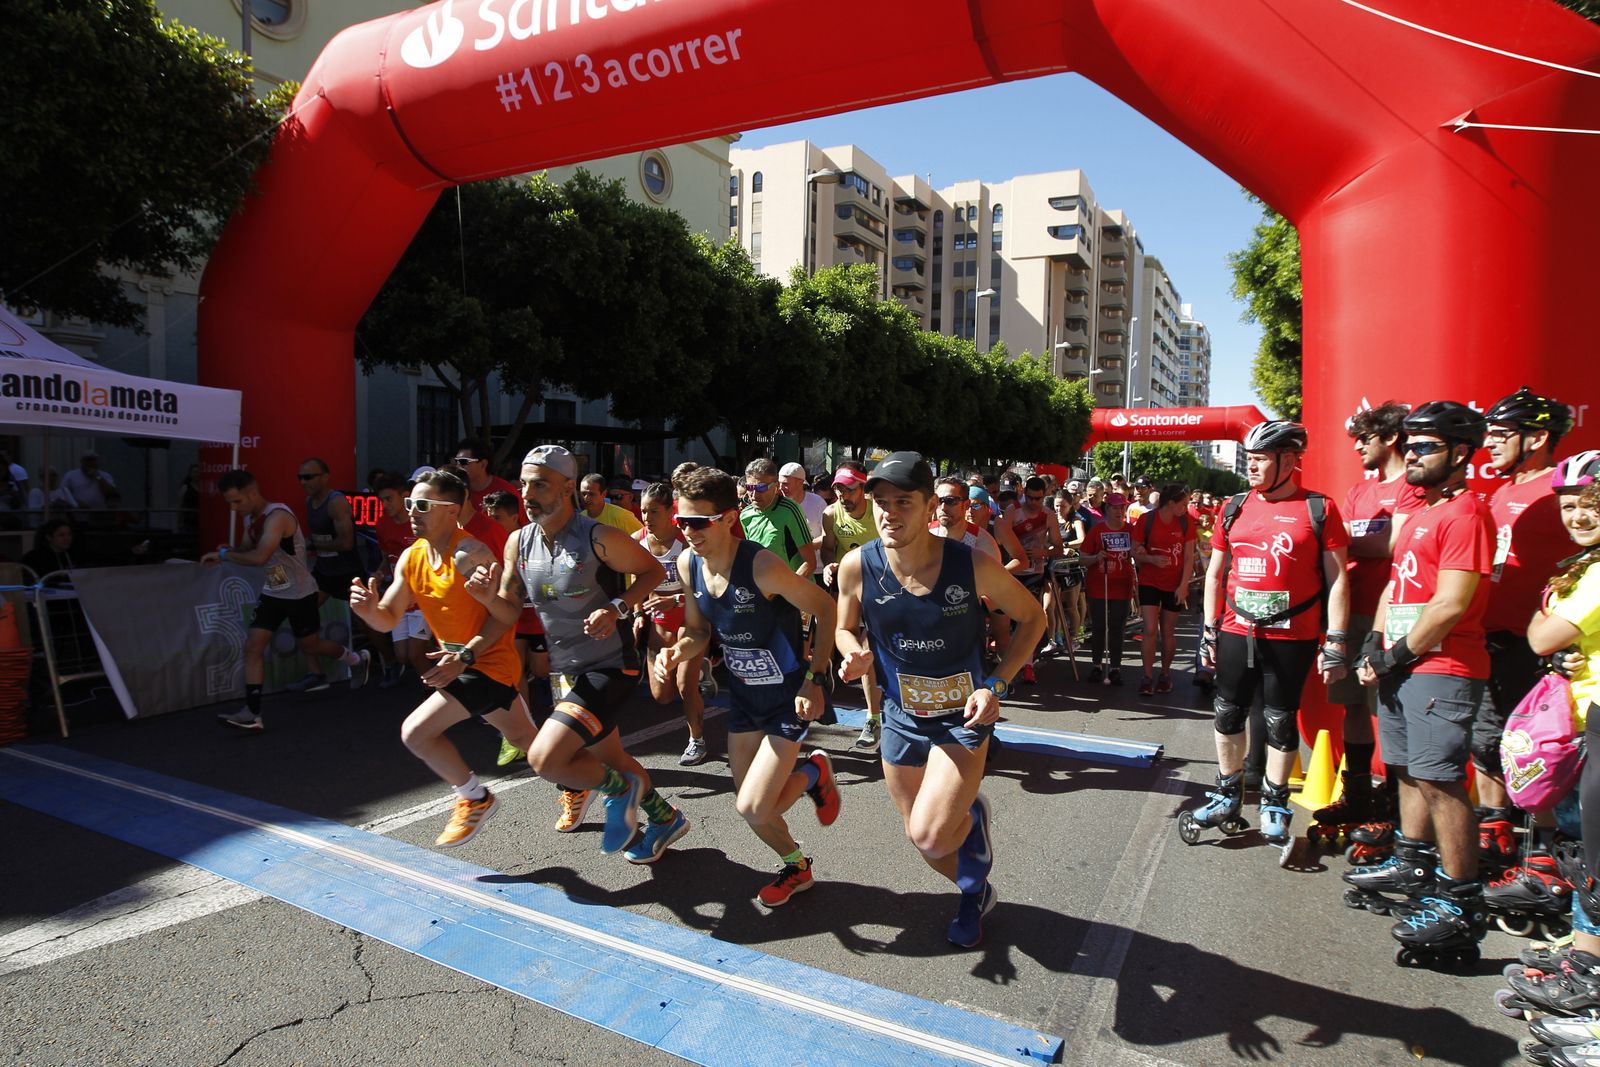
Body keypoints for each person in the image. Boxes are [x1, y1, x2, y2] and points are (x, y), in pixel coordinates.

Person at [836, 452, 1044, 948]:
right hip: (900, 716)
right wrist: (853, 656)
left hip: (962, 717)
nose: (889, 512)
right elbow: (844, 629)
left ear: (930, 505)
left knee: (930, 834)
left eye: (903, 502)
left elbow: (1033, 618)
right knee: (923, 840)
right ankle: (976, 885)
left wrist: (996, 684)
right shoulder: (856, 566)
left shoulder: (969, 564)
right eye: (880, 502)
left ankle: (971, 864)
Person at [487, 445, 689, 862]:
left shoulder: (598, 537)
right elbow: (507, 609)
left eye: (539, 484)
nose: (528, 493)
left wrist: (617, 608)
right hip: (566, 671)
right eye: (524, 484)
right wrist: (484, 599)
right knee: (609, 756)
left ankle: (619, 790)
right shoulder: (517, 543)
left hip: (610, 666)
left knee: (545, 758)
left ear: (566, 489)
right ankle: (665, 817)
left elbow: (652, 571)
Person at [1350, 401, 1495, 962]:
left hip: (1443, 668)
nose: (1411, 453)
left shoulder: (1466, 514)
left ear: (1460, 454)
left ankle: (1460, 900)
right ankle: (1412, 859)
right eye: (1409, 444)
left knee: (1441, 781)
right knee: (1408, 771)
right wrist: (1374, 643)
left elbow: (1451, 603)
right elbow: (1397, 587)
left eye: (1425, 446)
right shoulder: (1422, 514)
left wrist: (1397, 655)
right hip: (1403, 663)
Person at [660, 465, 841, 904]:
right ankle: (797, 867)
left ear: (727, 517)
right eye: (680, 521)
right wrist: (675, 652)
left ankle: (814, 770)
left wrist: (815, 679)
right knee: (756, 811)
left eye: (698, 522)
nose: (687, 531)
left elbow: (826, 608)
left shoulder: (762, 565)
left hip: (787, 698)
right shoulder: (689, 564)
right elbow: (699, 632)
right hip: (744, 697)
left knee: (755, 806)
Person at [349, 469, 533, 847]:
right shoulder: (411, 558)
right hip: (461, 664)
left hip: (486, 663)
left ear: (451, 511)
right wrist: (369, 612)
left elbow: (507, 617)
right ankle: (597, 781)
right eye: (409, 503)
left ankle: (475, 797)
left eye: (422, 505)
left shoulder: (470, 555)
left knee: (416, 733)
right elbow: (388, 617)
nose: (411, 511)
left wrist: (464, 654)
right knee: (536, 745)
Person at [1193, 421, 1350, 848]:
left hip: (1292, 635)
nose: (1252, 467)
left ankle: (1274, 800)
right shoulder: (1235, 506)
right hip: (1236, 629)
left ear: (1288, 461)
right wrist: (1208, 630)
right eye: (1250, 458)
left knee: (1280, 720)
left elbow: (1337, 579)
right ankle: (1227, 792)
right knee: (1227, 713)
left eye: (1260, 459)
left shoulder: (1319, 508)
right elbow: (1214, 573)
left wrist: (1336, 638)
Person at [1471, 387, 1575, 868]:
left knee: (1538, 752)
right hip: (1491, 637)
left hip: (1540, 648)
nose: (1489, 444)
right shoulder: (1503, 490)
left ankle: (1548, 855)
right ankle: (1496, 832)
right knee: (1485, 740)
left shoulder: (1564, 490)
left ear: (1535, 438)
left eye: (1500, 435)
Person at [1513, 454, 1600, 1011]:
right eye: (1569, 507)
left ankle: (1589, 970)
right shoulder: (1585, 565)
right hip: (1585, 712)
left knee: (1594, 852)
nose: (1578, 517)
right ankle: (1584, 948)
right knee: (1583, 844)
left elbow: (1541, 636)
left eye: (1589, 505)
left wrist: (1550, 630)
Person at [1317, 402, 1424, 831]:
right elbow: (1341, 544)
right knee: (1353, 710)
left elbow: (1394, 547)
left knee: (1393, 713)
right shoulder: (1359, 492)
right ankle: (1358, 795)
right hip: (1349, 614)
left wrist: (1346, 546)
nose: (1358, 446)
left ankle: (1398, 805)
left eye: (1365, 438)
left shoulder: (1412, 487)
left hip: (1393, 618)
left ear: (1391, 438)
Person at [205, 470, 371, 731]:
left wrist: (226, 554)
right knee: (253, 647)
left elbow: (259, 557)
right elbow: (245, 551)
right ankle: (252, 713)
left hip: (300, 594)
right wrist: (223, 552)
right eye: (229, 502)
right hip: (273, 591)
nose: (233, 508)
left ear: (252, 494)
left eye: (236, 501)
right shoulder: (253, 519)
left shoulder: (277, 517)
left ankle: (356, 659)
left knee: (311, 646)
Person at [634, 481, 709, 766]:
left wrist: (675, 599)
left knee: (684, 686)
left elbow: (705, 587)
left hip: (689, 619)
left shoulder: (687, 541)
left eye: (653, 512)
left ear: (670, 512)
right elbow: (636, 582)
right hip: (659, 622)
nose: (647, 518)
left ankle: (697, 740)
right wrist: (639, 613)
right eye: (643, 512)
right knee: (661, 695)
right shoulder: (636, 540)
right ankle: (703, 668)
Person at [820, 462, 883, 752]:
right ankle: (828, 670)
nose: (842, 494)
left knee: (868, 649)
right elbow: (829, 551)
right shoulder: (831, 514)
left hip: (881, 587)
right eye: (837, 488)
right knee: (849, 643)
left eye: (848, 488)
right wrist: (831, 567)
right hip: (849, 588)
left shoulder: (879, 510)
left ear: (863, 488)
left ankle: (873, 717)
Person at [995, 476, 1064, 685]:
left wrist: (1042, 552)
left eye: (1039, 499)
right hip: (1012, 571)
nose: (1034, 502)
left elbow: (1059, 548)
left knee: (1027, 622)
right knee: (1006, 622)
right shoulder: (1012, 511)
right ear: (1024, 492)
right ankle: (1008, 666)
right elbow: (999, 537)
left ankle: (1027, 665)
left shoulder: (1048, 515)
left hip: (1034, 573)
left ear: (1044, 496)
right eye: (1030, 498)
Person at [1133, 484, 1198, 695]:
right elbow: (1135, 550)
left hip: (1174, 583)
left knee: (1167, 632)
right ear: (1171, 503)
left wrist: (1183, 585)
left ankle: (1165, 674)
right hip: (1149, 580)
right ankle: (1147, 676)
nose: (1186, 507)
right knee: (1150, 629)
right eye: (1184, 504)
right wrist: (1151, 558)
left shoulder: (1186, 521)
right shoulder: (1147, 519)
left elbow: (1189, 557)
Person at [372, 476, 430, 686]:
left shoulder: (422, 522)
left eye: (389, 499)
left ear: (405, 497)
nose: (385, 505)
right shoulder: (382, 525)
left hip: (424, 597)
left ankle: (436, 687)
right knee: (403, 656)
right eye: (382, 500)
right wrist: (379, 574)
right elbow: (386, 559)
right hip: (400, 597)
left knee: (416, 653)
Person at [1078, 493, 1136, 685]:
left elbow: (1140, 552)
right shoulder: (1097, 530)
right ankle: (1096, 665)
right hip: (1099, 586)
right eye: (1115, 507)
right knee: (1099, 627)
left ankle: (1115, 667)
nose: (1119, 511)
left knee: (1117, 628)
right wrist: (1096, 558)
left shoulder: (1131, 530)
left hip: (1122, 585)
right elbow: (1082, 557)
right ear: (1107, 509)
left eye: (1122, 507)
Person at [740, 458, 818, 577]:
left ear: (775, 486)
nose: (754, 494)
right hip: (764, 588)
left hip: (793, 589)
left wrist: (785, 589)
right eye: (750, 488)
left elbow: (810, 563)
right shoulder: (745, 515)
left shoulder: (790, 510)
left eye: (761, 488)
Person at [452, 439, 518, 516]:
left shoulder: (506, 491)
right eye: (457, 462)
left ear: (483, 464)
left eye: (463, 461)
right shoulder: (456, 491)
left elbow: (524, 524)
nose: (458, 466)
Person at [579, 473, 643, 536]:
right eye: (583, 494)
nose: (586, 498)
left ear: (604, 494)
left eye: (592, 494)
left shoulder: (622, 516)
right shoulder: (579, 519)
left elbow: (645, 539)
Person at [779, 461, 827, 540]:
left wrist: (806, 548)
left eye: (785, 484)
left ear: (800, 483)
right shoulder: (777, 503)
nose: (781, 488)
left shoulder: (818, 503)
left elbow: (826, 535)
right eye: (779, 483)